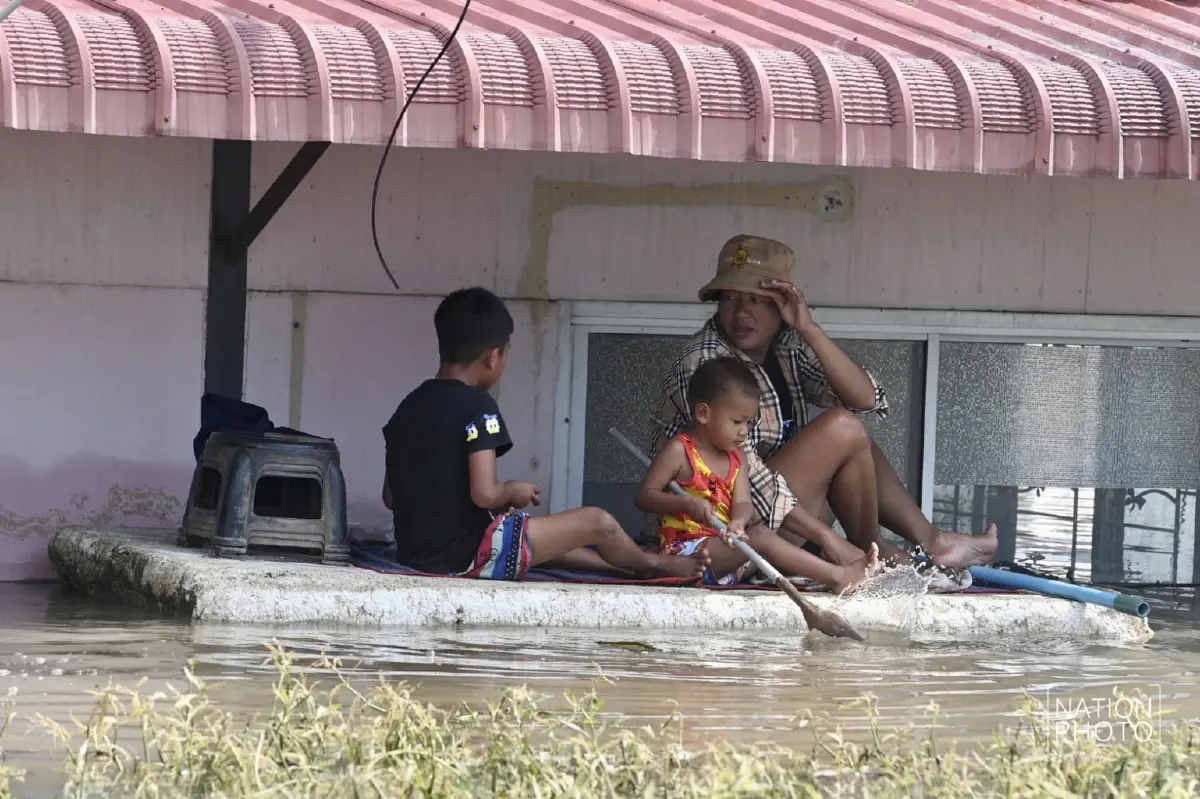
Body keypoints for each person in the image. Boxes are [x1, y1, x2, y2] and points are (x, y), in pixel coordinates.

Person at [649, 234, 999, 570]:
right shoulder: (706, 360)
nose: (740, 313)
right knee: (842, 429)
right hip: (729, 528)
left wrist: (809, 330)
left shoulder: (786, 344)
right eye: (730, 298)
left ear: (782, 303)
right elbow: (750, 480)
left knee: (855, 435)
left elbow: (865, 399)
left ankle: (924, 542)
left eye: (756, 300)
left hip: (783, 512)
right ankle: (871, 554)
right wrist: (829, 539)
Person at [382, 287, 710, 581]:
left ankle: (623, 566)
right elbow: (484, 494)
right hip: (466, 556)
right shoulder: (479, 407)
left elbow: (391, 497)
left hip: (415, 553)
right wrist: (511, 490)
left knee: (547, 536)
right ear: (493, 355)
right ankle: (656, 565)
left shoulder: (407, 407)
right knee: (598, 522)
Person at [637, 356, 880, 593]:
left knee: (763, 537)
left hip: (727, 550)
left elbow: (743, 503)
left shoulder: (737, 457)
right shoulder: (681, 450)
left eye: (749, 423)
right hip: (687, 555)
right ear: (703, 414)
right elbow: (646, 497)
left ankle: (832, 571)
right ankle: (837, 576)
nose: (744, 432)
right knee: (761, 536)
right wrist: (685, 503)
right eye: (736, 422)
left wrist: (739, 522)